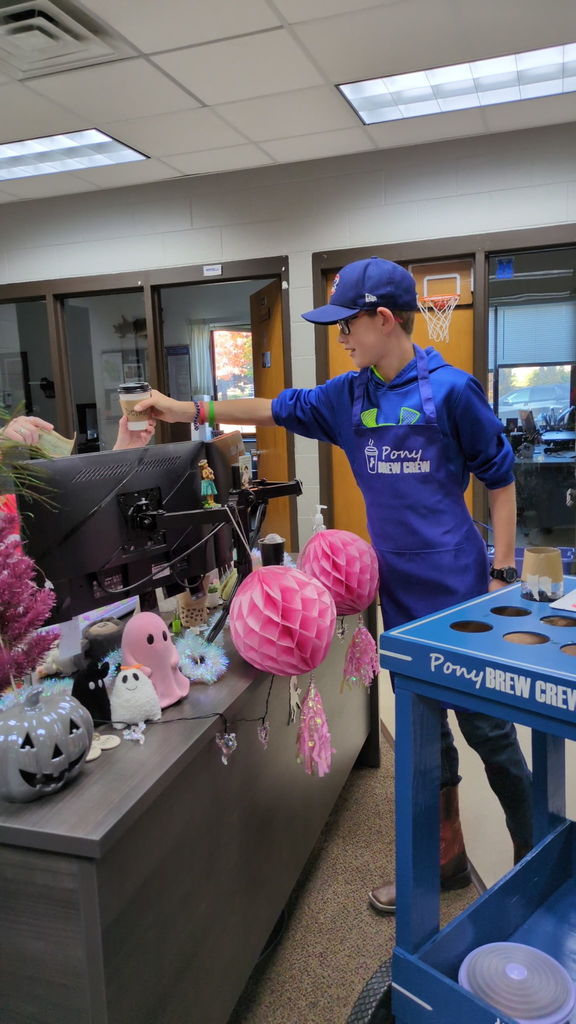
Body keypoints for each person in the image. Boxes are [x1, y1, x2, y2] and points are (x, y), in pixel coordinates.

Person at [134, 256, 533, 913]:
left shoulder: (455, 391)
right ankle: (446, 861)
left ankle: (536, 873)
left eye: (347, 326)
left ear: (383, 318)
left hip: (462, 601)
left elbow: (500, 479)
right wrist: (183, 406)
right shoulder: (349, 397)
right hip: (399, 601)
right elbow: (267, 405)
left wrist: (501, 574)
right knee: (427, 746)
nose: (341, 339)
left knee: (491, 737)